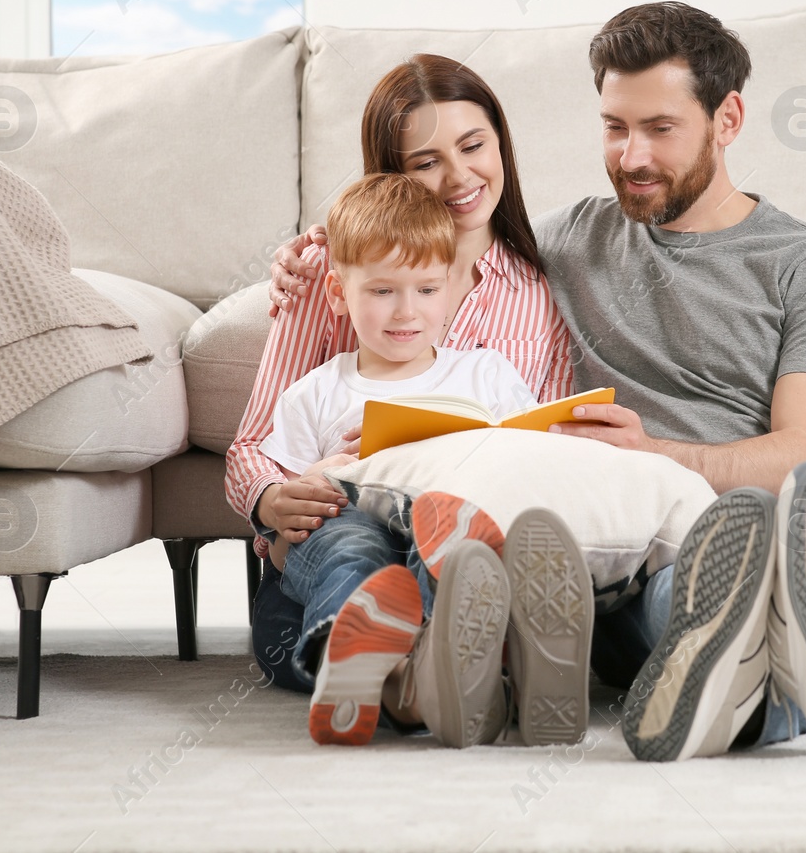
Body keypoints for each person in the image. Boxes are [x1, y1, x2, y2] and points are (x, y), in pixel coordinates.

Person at [269, 3, 806, 762]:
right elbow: (423, 237)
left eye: (660, 129)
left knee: (778, 552)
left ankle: (780, 634)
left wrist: (655, 453)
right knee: (675, 606)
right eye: (614, 127)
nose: (631, 156)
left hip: (745, 516)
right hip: (633, 562)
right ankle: (771, 678)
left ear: (727, 118)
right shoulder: (567, 240)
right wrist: (313, 255)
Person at [226, 55, 586, 748]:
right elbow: (257, 446)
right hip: (336, 543)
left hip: (456, 547)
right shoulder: (333, 268)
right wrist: (272, 502)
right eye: (425, 163)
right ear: (392, 174)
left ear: (500, 145)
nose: (457, 177)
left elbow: (547, 450)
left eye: (474, 146)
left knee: (461, 553)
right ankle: (420, 675)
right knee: (350, 557)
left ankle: (426, 678)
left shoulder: (541, 295)